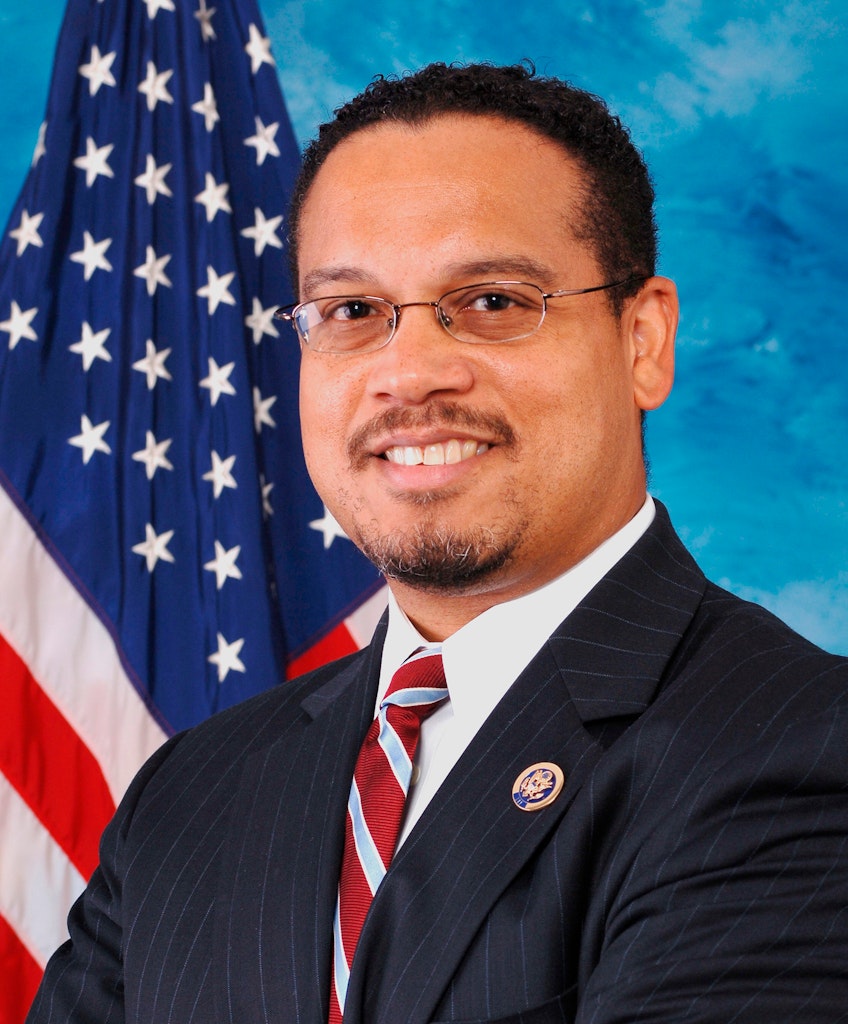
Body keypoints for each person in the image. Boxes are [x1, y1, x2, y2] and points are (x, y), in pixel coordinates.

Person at [28, 62, 848, 1024]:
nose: (409, 372)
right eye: (351, 312)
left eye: (494, 301)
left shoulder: (799, 747)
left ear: (644, 341)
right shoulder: (189, 794)